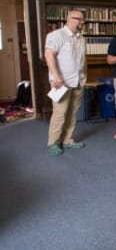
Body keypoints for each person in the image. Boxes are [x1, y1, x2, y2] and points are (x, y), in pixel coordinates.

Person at [44, 8, 87, 156]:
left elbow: (82, 61)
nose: (81, 22)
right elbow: (49, 54)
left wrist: (84, 78)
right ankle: (53, 142)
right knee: (60, 113)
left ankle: (67, 139)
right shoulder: (56, 35)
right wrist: (56, 76)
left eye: (82, 19)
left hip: (78, 81)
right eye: (78, 19)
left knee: (72, 113)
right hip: (61, 82)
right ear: (68, 19)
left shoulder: (81, 38)